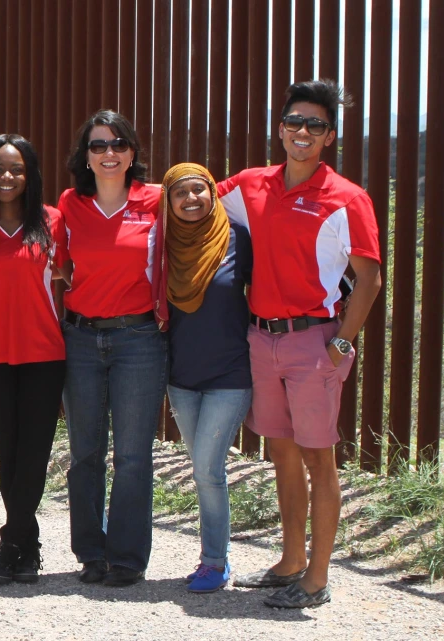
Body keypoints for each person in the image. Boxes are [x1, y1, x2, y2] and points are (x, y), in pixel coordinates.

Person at [221, 80, 381, 608]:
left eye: (315, 125)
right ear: (281, 129)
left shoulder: (348, 198)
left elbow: (369, 277)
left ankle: (315, 579)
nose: (302, 133)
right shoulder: (251, 186)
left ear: (330, 136)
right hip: (261, 338)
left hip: (314, 342)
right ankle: (289, 562)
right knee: (282, 456)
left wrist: (342, 344)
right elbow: (189, 197)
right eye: (294, 122)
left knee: (319, 460)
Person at [57, 110, 166, 587]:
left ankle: (126, 557)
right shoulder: (70, 203)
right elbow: (59, 264)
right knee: (84, 452)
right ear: (85, 155)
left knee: (134, 455)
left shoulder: (156, 200)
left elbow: (211, 209)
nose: (108, 153)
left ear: (132, 153)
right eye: (98, 146)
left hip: (138, 339)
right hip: (80, 338)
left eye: (118, 144)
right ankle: (91, 552)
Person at [0, 134, 66, 584]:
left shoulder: (51, 220)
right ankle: (26, 543)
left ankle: (12, 543)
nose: (7, 177)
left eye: (17, 169)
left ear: (30, 174)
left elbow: (70, 274)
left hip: (44, 352)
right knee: (9, 452)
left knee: (34, 454)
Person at [150, 162, 252, 593]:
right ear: (168, 202)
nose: (192, 199)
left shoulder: (237, 240)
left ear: (212, 193)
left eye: (200, 190)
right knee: (201, 468)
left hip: (230, 373)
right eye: (181, 193)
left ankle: (215, 561)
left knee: (209, 469)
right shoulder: (162, 244)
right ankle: (214, 556)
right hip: (182, 376)